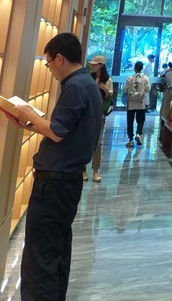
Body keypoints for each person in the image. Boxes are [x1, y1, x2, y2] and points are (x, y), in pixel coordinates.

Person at [3, 33, 102, 301]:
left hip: (55, 184)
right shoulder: (86, 83)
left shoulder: (76, 86)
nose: (49, 69)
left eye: (48, 63)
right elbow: (65, 132)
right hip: (65, 181)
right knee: (55, 251)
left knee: (40, 257)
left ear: (59, 59)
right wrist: (31, 124)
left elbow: (57, 132)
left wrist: (29, 114)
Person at [84, 55, 113, 182]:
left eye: (95, 64)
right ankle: (83, 169)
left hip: (100, 114)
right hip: (87, 113)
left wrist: (104, 89)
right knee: (85, 141)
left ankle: (96, 170)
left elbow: (109, 98)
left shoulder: (108, 80)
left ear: (101, 65)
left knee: (98, 143)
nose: (92, 66)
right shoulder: (88, 78)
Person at [125, 60, 150, 146]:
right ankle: (138, 134)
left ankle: (130, 139)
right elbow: (148, 89)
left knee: (130, 121)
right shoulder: (145, 78)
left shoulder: (130, 78)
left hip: (131, 103)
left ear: (135, 68)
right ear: (142, 68)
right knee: (141, 120)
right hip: (141, 103)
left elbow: (125, 90)